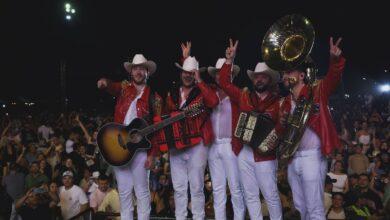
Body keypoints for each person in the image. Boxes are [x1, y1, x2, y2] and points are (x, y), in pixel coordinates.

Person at [275, 37, 345, 219]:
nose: (284, 76)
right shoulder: (285, 103)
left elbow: (333, 79)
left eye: (288, 72)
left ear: (301, 75)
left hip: (312, 156)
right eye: (283, 73)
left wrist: (335, 60)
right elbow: (282, 134)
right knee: (299, 206)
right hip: (293, 158)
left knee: (314, 207)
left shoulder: (317, 91)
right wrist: (281, 124)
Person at [219, 39, 283, 220]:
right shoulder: (243, 96)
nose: (259, 79)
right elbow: (224, 83)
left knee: (270, 195)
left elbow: (281, 127)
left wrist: (269, 144)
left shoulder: (278, 102)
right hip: (244, 152)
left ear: (269, 79)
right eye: (256, 76)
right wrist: (229, 60)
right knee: (250, 195)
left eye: (263, 76)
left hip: (265, 155)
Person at [97, 53, 162, 220]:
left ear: (148, 72)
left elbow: (157, 129)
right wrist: (104, 83)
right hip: (119, 147)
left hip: (141, 150)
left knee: (142, 192)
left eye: (142, 69)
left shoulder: (155, 98)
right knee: (124, 192)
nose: (138, 72)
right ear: (131, 72)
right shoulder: (124, 89)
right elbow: (112, 86)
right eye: (135, 69)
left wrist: (153, 154)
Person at [158, 42, 218, 220]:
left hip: (197, 144)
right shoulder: (173, 93)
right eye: (185, 72)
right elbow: (166, 116)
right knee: (178, 187)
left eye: (191, 73)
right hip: (176, 145)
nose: (187, 76)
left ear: (196, 75)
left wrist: (200, 80)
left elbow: (214, 102)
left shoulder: (202, 92)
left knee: (197, 186)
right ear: (181, 72)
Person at [205, 51, 245, 219]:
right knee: (218, 189)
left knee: (236, 188)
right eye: (218, 74)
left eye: (225, 74)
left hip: (230, 144)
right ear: (215, 77)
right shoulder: (210, 96)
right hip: (214, 146)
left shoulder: (237, 95)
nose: (220, 77)